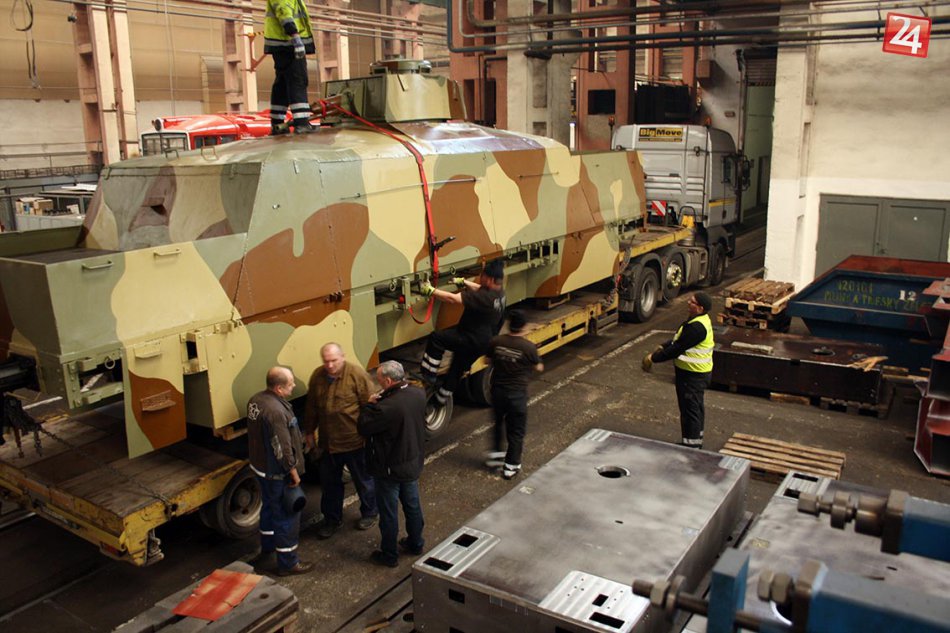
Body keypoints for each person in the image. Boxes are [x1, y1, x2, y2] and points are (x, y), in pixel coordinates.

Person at [303, 343, 379, 539]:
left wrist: (371, 436)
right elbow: (312, 406)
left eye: (334, 360)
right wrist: (309, 431)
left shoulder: (356, 375)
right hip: (328, 444)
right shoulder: (318, 377)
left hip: (355, 442)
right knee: (330, 485)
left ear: (343, 357)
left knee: (364, 481)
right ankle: (332, 520)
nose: (330, 365)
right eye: (326, 361)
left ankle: (370, 513)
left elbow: (370, 407)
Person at [357, 360, 427, 568]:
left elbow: (364, 427)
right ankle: (416, 543)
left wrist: (369, 404)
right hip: (411, 463)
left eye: (380, 380)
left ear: (388, 381)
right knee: (412, 506)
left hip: (389, 469)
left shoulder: (386, 407)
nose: (379, 384)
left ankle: (389, 554)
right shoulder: (418, 394)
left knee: (388, 513)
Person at [247, 366, 313, 576]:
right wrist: (292, 471)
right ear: (278, 388)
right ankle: (288, 563)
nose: (293, 386)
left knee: (268, 508)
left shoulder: (256, 400)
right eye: (290, 384)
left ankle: (267, 549)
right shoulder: (276, 412)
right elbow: (281, 447)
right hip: (277, 474)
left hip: (260, 469)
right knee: (286, 515)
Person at [419, 259, 506, 407]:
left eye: (482, 276)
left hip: (470, 338)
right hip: (484, 342)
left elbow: (452, 299)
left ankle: (429, 374)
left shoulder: (484, 298)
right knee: (457, 368)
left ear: (490, 279)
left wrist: (430, 291)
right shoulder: (500, 292)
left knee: (437, 338)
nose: (480, 278)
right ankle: (441, 399)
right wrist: (464, 282)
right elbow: (479, 288)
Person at [641, 291, 715, 448]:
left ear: (700, 308)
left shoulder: (697, 328)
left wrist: (653, 358)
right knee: (695, 408)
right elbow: (679, 340)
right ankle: (695, 441)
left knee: (690, 411)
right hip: (694, 374)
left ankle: (691, 447)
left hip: (692, 376)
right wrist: (664, 345)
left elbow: (678, 348)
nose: (688, 303)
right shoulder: (699, 320)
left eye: (692, 302)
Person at [486, 310, 543, 479]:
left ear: (509, 324)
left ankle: (495, 458)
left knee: (498, 424)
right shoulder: (528, 347)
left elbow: (486, 361)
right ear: (524, 326)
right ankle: (510, 466)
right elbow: (539, 367)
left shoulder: (496, 341)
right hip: (517, 395)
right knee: (516, 431)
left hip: (498, 392)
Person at [264, 0, 316, 135]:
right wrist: (295, 36)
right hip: (288, 45)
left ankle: (278, 124)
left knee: (282, 84)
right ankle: (302, 123)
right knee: (297, 80)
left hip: (282, 45)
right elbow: (284, 12)